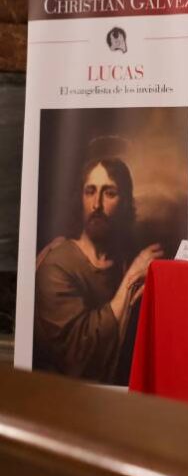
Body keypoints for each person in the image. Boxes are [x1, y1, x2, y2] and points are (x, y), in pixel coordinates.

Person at [34, 157, 163, 384]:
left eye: (109, 193)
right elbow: (80, 354)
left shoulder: (123, 257)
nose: (97, 205)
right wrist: (131, 279)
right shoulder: (57, 265)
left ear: (124, 203)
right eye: (90, 191)